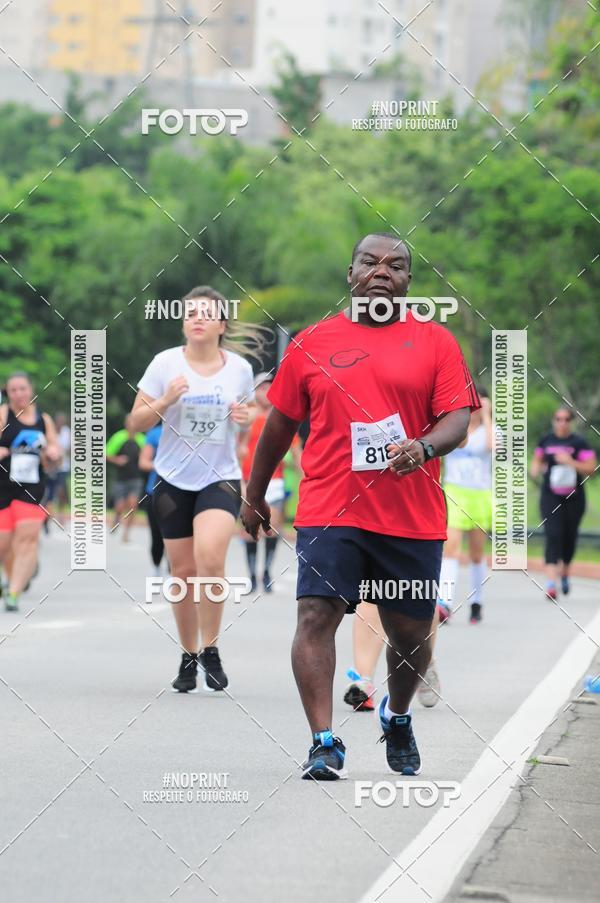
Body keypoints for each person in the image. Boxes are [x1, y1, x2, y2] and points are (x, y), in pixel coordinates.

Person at [242, 232, 479, 780]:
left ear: (408, 282)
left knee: (410, 635)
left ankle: (396, 715)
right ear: (350, 273)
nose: (381, 271)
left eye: (395, 265)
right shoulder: (311, 343)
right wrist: (253, 495)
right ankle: (323, 741)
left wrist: (421, 447)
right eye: (369, 262)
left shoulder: (436, 343)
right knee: (315, 614)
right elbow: (279, 425)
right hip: (331, 506)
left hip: (410, 513)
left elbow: (458, 420)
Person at [130, 285, 260, 693]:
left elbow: (252, 410)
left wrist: (246, 413)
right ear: (183, 322)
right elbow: (134, 423)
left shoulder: (237, 369)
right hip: (171, 479)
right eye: (190, 313)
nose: (197, 318)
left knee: (209, 557)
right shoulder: (164, 364)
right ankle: (188, 655)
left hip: (219, 476)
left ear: (221, 324)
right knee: (182, 573)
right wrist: (166, 399)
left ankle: (212, 647)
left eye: (206, 313)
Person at [0, 372, 62, 611]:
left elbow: (54, 448)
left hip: (32, 487)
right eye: (13, 390)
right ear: (8, 392)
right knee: (4, 544)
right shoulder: (4, 414)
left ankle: (13, 592)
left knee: (27, 539)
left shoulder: (42, 419)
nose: (18, 394)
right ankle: (16, 575)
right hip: (3, 486)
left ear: (31, 389)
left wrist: (53, 453)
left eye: (22, 389)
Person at [238, 372, 302, 593]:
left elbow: (296, 452)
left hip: (275, 482)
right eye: (260, 388)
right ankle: (251, 575)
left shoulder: (281, 418)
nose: (265, 392)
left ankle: (265, 572)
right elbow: (234, 448)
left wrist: (303, 473)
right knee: (248, 530)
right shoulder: (246, 418)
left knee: (272, 528)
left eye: (269, 388)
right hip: (245, 480)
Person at [439, 388, 493, 625]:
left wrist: (488, 415)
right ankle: (445, 602)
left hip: (479, 495)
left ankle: (476, 602)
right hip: (454, 492)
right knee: (450, 549)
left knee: (476, 554)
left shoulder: (489, 431)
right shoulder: (456, 429)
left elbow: (492, 446)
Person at [530, 407, 596, 600]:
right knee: (553, 535)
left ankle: (565, 571)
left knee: (568, 537)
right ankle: (551, 584)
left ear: (571, 422)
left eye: (566, 419)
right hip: (550, 496)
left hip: (574, 497)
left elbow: (591, 469)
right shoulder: (546, 441)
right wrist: (535, 471)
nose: (562, 422)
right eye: (558, 419)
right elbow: (537, 461)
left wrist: (571, 462)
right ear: (553, 421)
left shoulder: (579, 443)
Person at [105, 415, 145, 543]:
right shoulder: (119, 437)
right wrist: (117, 460)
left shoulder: (142, 439)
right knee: (120, 507)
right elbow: (106, 454)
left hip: (136, 478)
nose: (132, 425)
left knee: (133, 506)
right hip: (121, 478)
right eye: (129, 422)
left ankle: (126, 533)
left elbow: (149, 455)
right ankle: (116, 518)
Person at [138, 423, 165, 578]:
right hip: (156, 491)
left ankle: (173, 570)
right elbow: (143, 462)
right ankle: (156, 565)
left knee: (179, 534)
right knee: (157, 535)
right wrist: (162, 465)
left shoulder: (190, 429)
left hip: (186, 490)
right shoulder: (155, 433)